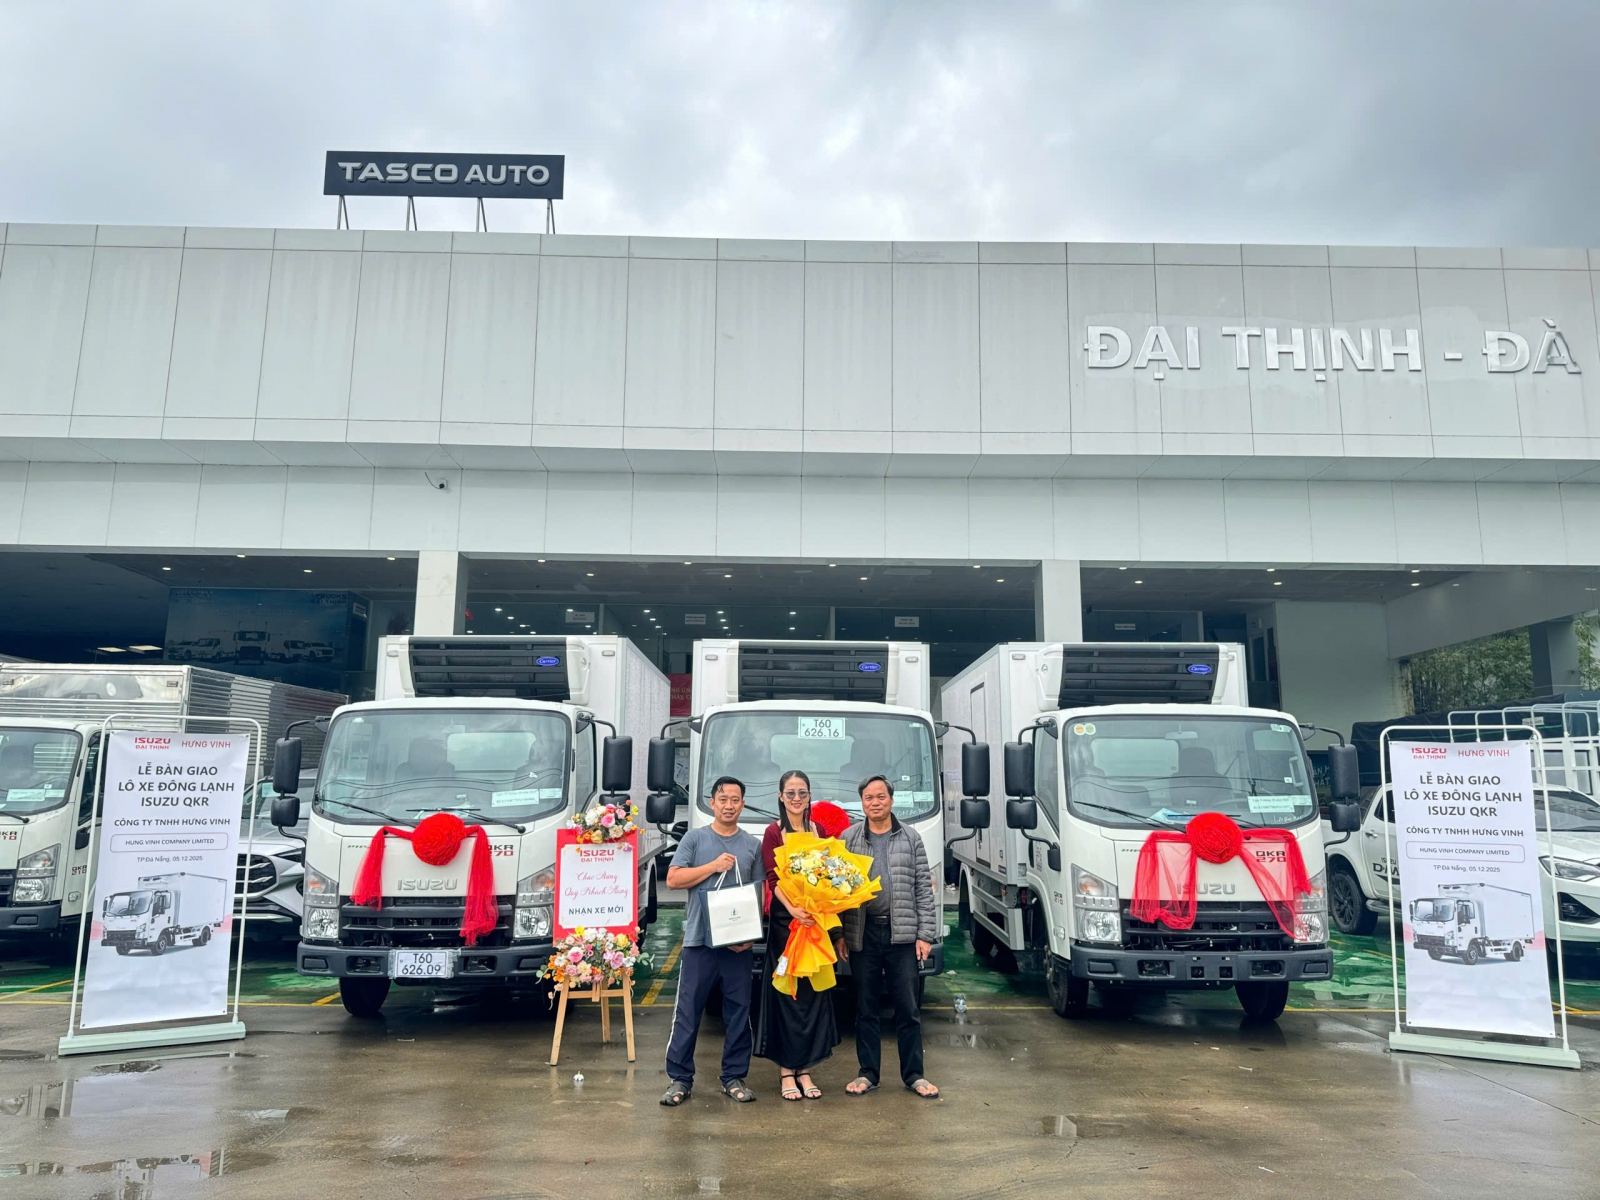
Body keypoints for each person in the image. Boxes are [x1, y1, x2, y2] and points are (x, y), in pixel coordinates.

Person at [661, 776, 764, 1107]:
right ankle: (680, 1079)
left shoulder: (752, 845)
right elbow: (673, 879)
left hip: (738, 947)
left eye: (735, 800)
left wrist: (750, 936)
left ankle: (733, 1077)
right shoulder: (695, 838)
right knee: (688, 1011)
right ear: (712, 803)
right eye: (723, 799)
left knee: (739, 1011)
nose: (729, 805)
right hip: (698, 942)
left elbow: (760, 894)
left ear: (742, 804)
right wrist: (713, 866)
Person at [838, 775, 940, 1099]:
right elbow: (836, 890)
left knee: (907, 1009)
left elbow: (923, 888)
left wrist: (925, 934)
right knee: (865, 1008)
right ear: (862, 803)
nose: (875, 802)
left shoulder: (910, 837)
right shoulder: (848, 838)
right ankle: (868, 1073)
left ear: (891, 800)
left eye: (881, 796)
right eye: (868, 798)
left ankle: (914, 1075)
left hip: (903, 937)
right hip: (863, 933)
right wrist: (839, 934)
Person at [755, 769, 842, 1100]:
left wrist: (818, 907)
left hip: (814, 925)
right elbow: (773, 879)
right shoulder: (772, 833)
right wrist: (793, 909)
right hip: (786, 927)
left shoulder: (819, 831)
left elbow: (827, 875)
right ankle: (786, 1072)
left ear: (809, 796)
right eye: (790, 793)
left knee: (811, 996)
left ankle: (805, 1068)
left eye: (802, 793)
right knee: (786, 995)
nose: (796, 798)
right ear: (780, 796)